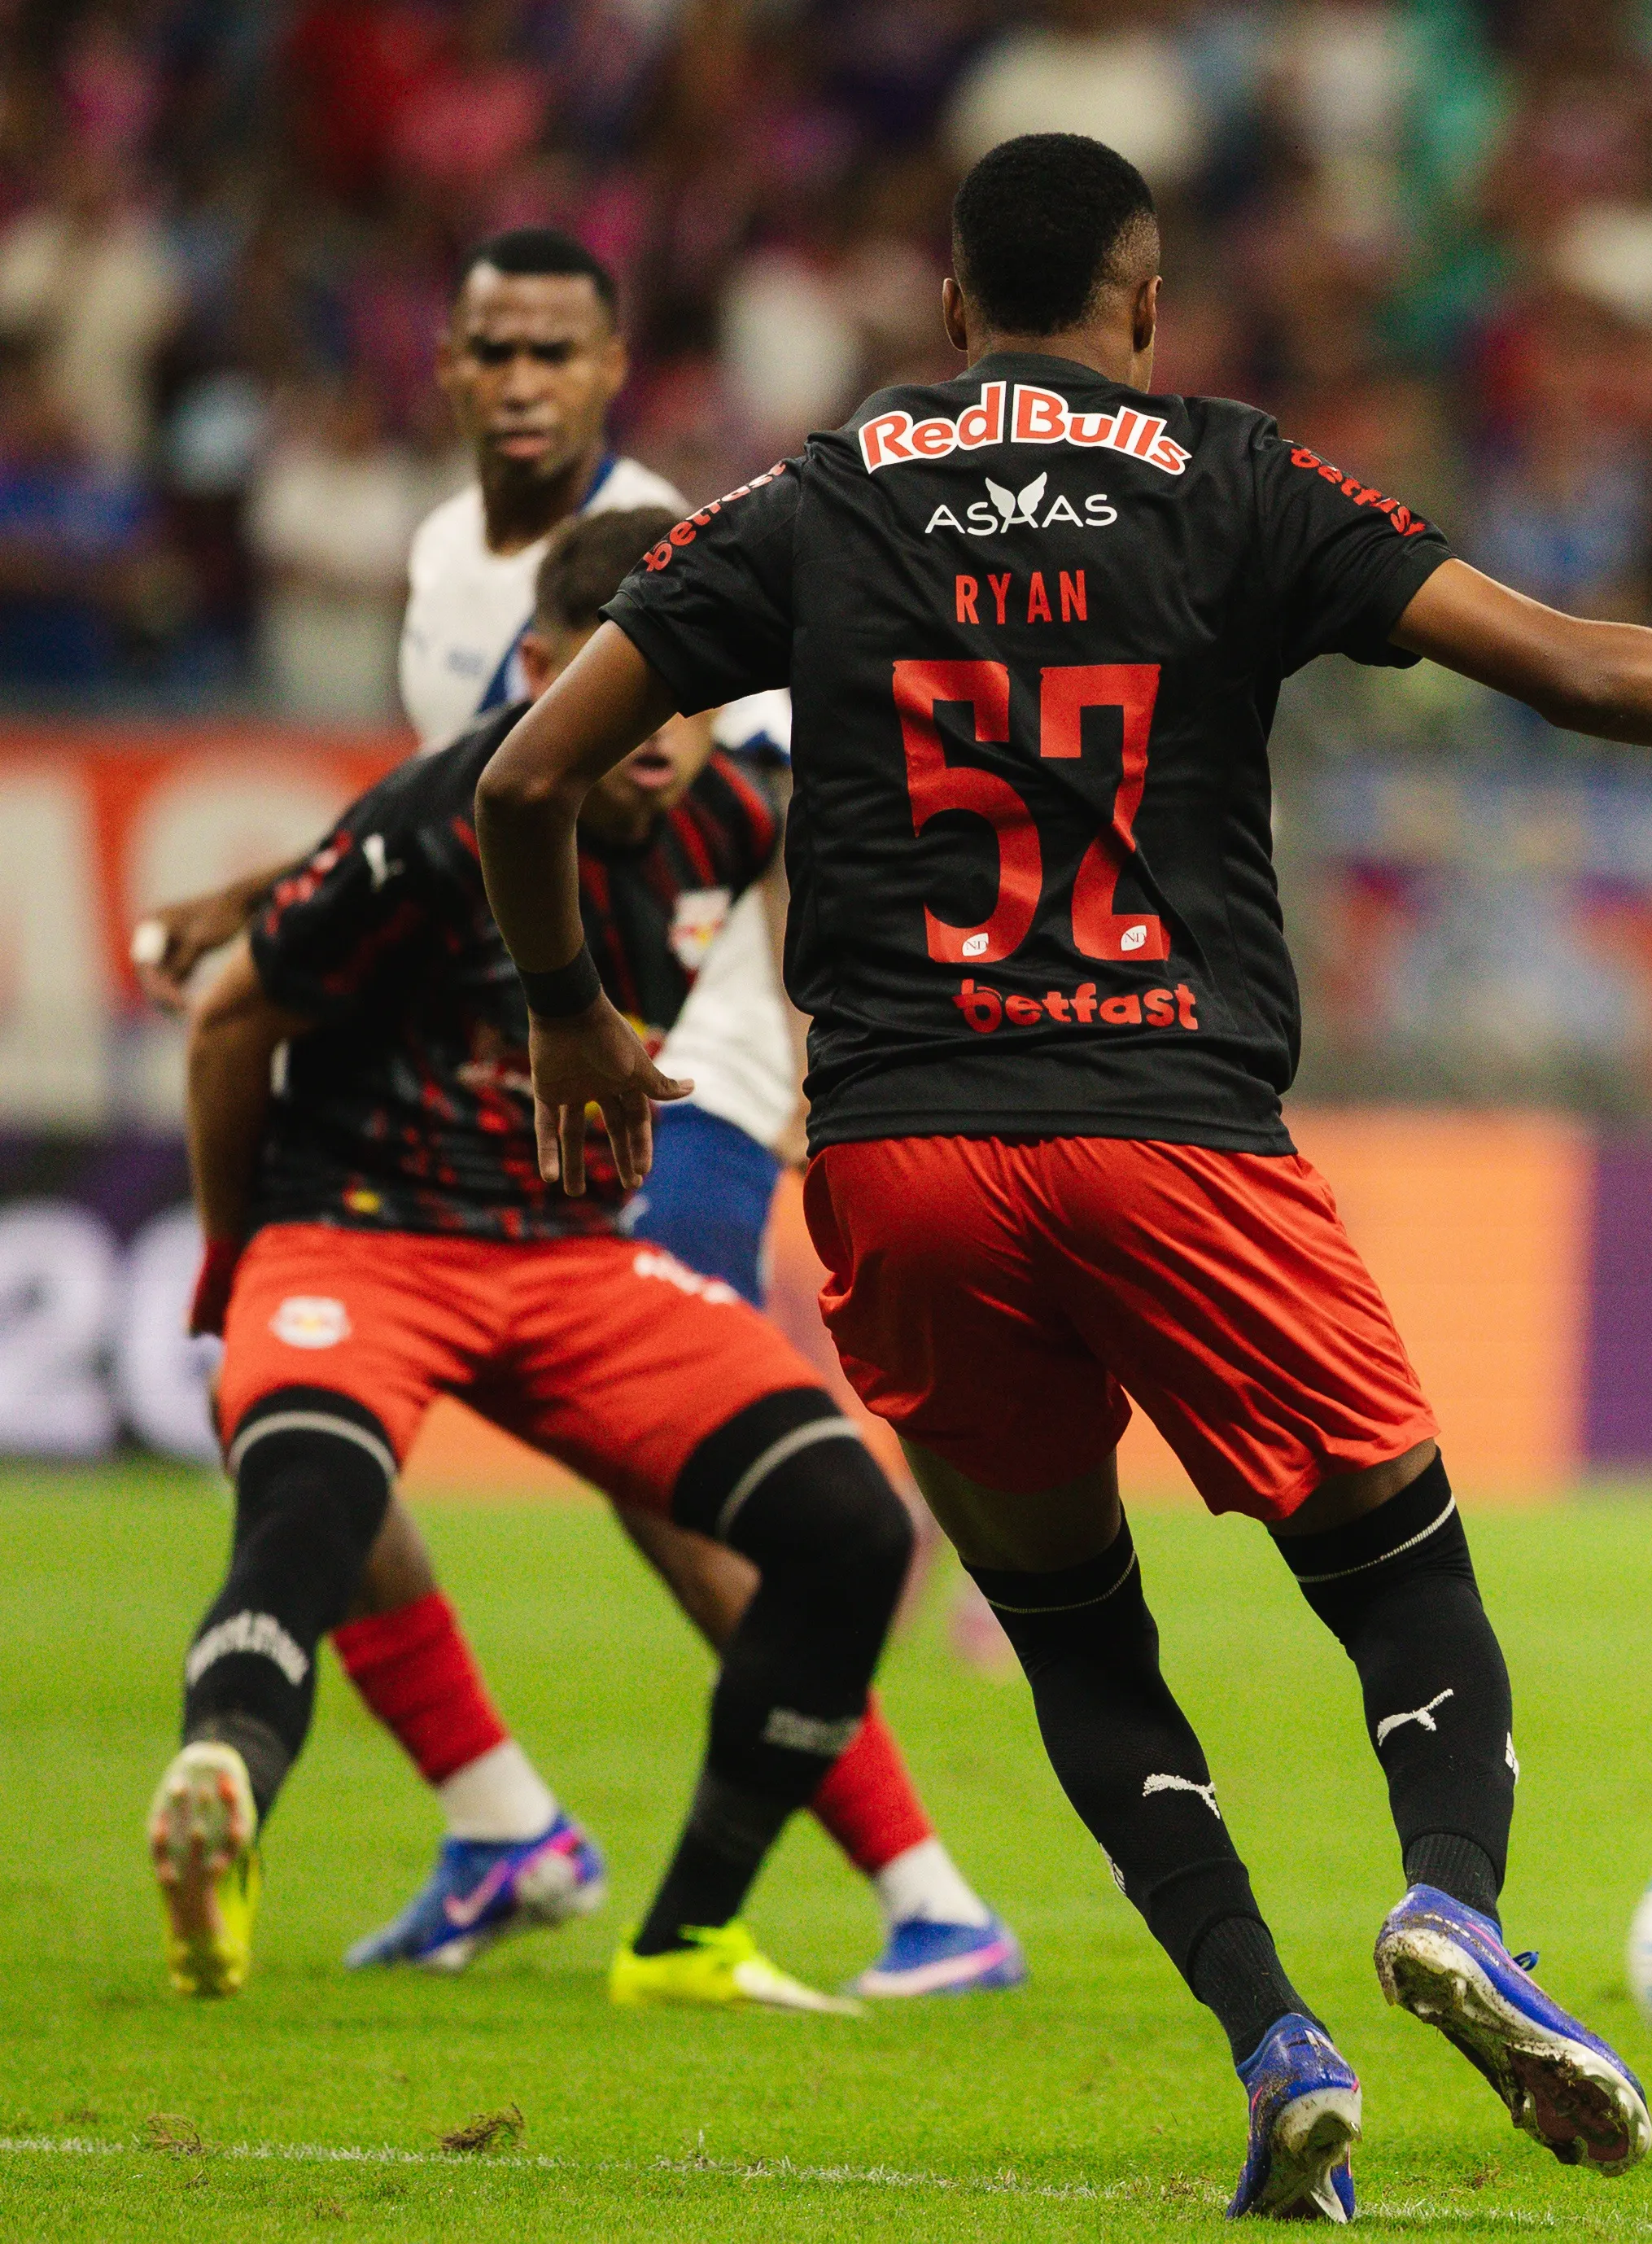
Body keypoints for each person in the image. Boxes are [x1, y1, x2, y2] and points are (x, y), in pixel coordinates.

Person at [470, 133, 1652, 2216]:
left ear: (950, 308)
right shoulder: (1229, 473)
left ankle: (1273, 2040)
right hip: (1171, 1123)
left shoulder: (812, 495)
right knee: (1398, 1566)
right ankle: (1452, 1903)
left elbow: (526, 775)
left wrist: (572, 1016)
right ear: (1147, 304)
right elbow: (1571, 662)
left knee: (1069, 1625)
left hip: (902, 1145)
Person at [129, 230, 1016, 1997]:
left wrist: (833, 1065)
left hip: (689, 1061)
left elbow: (768, 809)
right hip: (470, 1100)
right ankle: (501, 1819)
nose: (526, 381)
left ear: (614, 368)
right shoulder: (448, 562)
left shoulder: (669, 561)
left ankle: (911, 1885)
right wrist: (258, 904)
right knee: (314, 1439)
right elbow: (441, 810)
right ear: (450, 369)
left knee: (700, 1500)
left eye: (559, 350)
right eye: (498, 350)